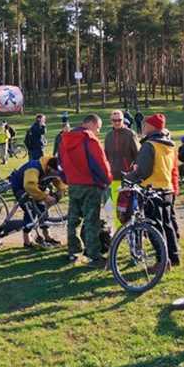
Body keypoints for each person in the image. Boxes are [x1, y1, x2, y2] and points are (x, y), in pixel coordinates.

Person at [125, 113, 181, 267]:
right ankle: (174, 257)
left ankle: (162, 261)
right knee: (168, 225)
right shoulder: (169, 144)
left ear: (151, 127)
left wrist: (129, 177)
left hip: (152, 190)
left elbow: (144, 170)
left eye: (144, 125)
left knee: (154, 227)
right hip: (167, 189)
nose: (143, 127)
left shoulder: (150, 145)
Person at [58, 114, 113, 268]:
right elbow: (100, 162)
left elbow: (60, 163)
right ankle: (94, 255)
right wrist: (107, 180)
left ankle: (73, 251)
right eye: (98, 128)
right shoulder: (89, 139)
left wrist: (66, 179)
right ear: (91, 124)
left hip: (73, 184)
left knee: (73, 219)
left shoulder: (65, 139)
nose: (98, 132)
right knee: (91, 220)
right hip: (90, 185)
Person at [1, 156, 67, 248]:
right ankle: (27, 240)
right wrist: (45, 197)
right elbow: (29, 186)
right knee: (30, 211)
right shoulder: (33, 168)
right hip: (21, 187)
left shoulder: (53, 169)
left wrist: (58, 194)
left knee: (42, 209)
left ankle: (47, 236)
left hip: (37, 187)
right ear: (49, 168)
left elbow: (59, 183)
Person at [104, 110, 140, 230]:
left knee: (129, 207)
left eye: (119, 120)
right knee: (116, 207)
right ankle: (120, 232)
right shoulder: (108, 136)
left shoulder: (130, 134)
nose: (117, 122)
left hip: (128, 177)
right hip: (114, 177)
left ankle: (132, 230)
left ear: (123, 119)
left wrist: (135, 173)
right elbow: (106, 156)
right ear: (111, 121)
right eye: (114, 120)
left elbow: (138, 155)